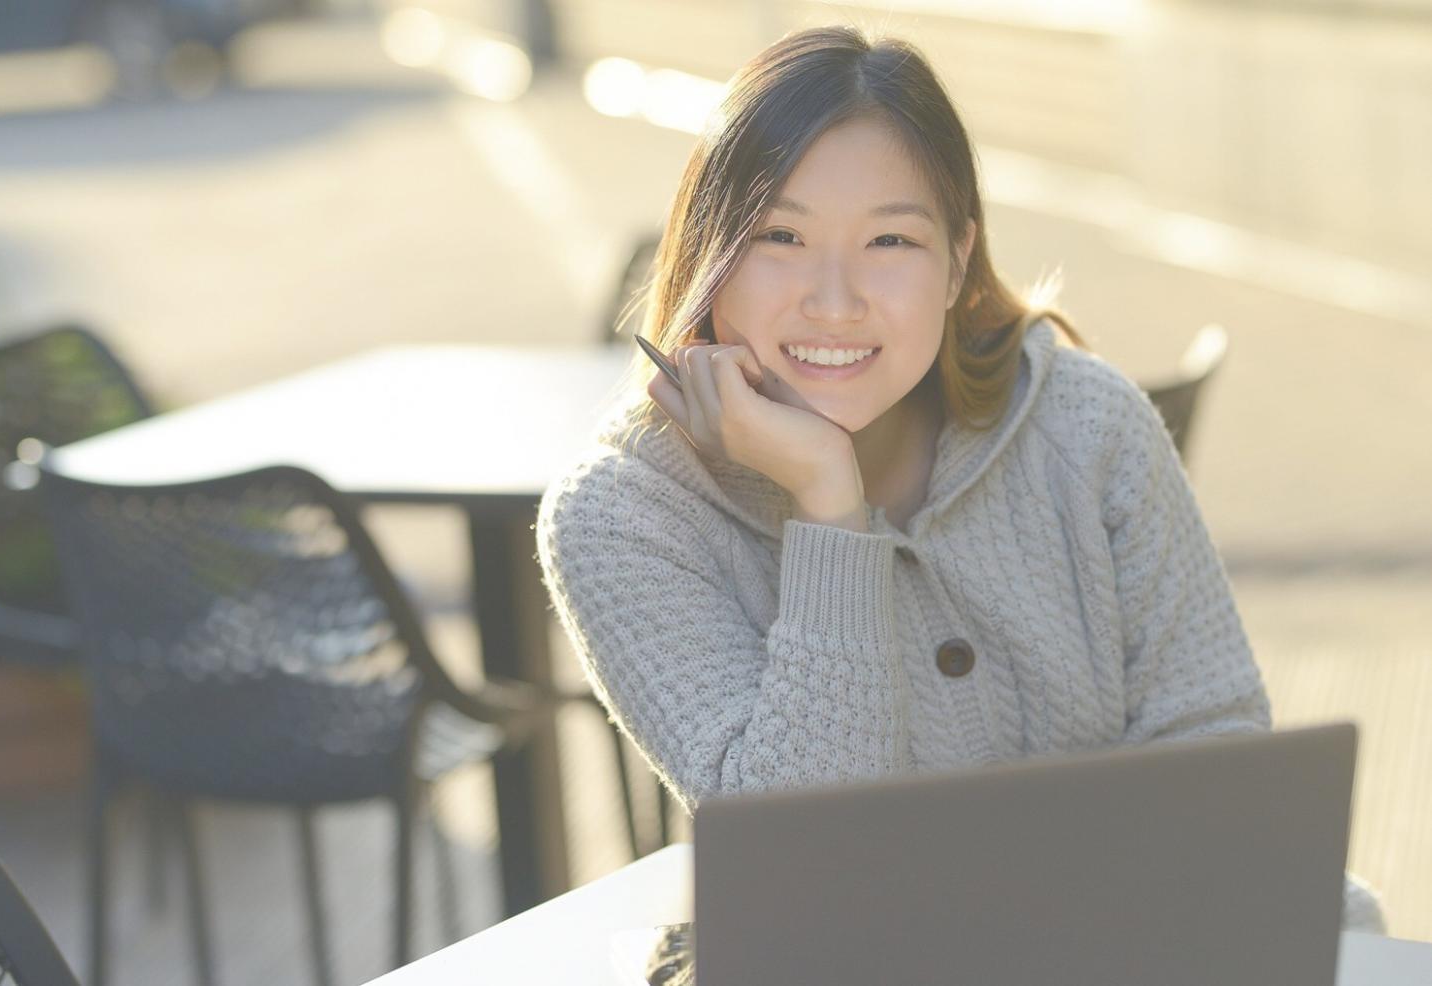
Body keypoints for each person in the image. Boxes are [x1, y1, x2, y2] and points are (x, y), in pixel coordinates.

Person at [535, 24, 1385, 934]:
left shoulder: (1084, 424)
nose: (834, 298)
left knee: (1345, 923)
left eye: (891, 242)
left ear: (956, 262)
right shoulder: (622, 517)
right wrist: (829, 502)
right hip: (845, 956)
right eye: (779, 234)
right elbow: (806, 854)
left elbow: (1214, 743)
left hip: (1122, 936)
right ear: (710, 254)